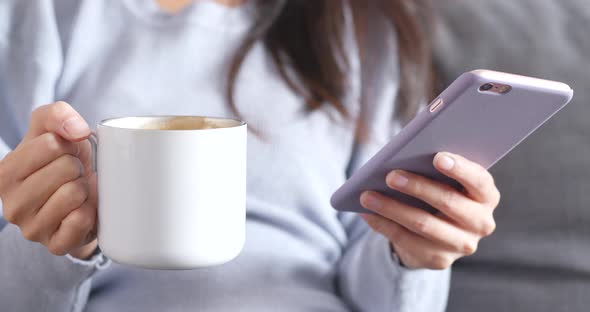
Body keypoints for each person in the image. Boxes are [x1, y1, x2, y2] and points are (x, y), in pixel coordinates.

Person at [0, 1, 499, 311]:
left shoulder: (361, 29)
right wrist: (57, 243)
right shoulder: (39, 15)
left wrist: (414, 255)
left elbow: (377, 290)